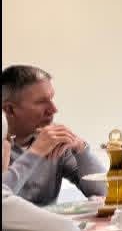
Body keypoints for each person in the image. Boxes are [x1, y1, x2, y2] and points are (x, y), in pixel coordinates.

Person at [1, 64, 106, 205]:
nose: (54, 109)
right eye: (41, 102)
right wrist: (36, 152)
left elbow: (103, 192)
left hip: (49, 220)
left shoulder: (54, 140)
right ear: (10, 109)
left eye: (51, 98)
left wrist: (81, 149)